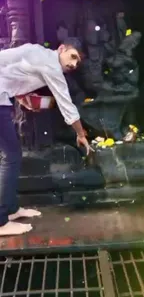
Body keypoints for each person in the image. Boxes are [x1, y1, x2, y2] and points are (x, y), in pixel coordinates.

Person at [0, 37, 92, 236]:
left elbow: (10, 69)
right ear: (61, 49)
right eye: (72, 56)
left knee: (11, 156)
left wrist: (21, 97)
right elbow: (65, 103)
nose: (73, 64)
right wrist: (80, 133)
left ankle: (11, 210)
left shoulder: (38, 52)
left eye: (77, 62)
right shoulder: (51, 65)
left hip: (2, 96)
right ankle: (1, 222)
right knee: (11, 157)